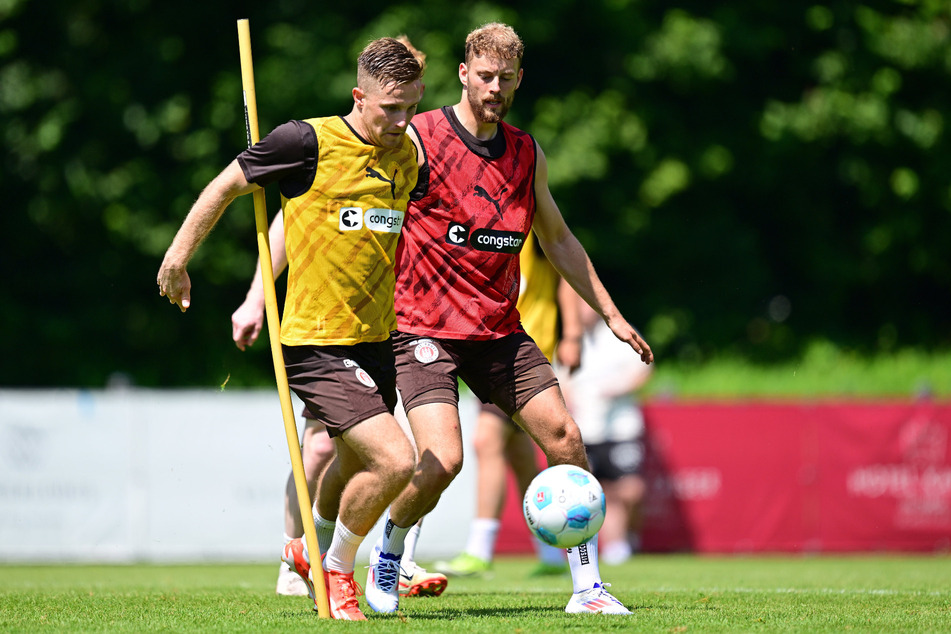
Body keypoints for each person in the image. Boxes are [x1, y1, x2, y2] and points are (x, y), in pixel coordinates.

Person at [361, 22, 654, 616]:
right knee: (444, 459)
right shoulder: (418, 138)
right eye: (484, 76)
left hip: (498, 330)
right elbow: (355, 200)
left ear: (520, 80)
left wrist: (612, 316)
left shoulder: (525, 153)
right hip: (424, 327)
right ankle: (388, 552)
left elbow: (560, 239)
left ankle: (588, 589)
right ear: (464, 74)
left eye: (505, 78)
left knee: (567, 438)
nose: (494, 87)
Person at [157, 37, 425, 621]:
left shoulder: (408, 156)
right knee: (396, 462)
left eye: (412, 107)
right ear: (360, 96)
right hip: (314, 339)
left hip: (378, 337)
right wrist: (178, 258)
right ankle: (337, 570)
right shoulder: (304, 141)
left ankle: (307, 549)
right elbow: (226, 188)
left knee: (352, 465)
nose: (403, 122)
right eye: (391, 109)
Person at [232, 209, 448, 598]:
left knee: (415, 452)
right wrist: (256, 298)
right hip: (340, 326)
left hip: (406, 325)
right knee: (319, 450)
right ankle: (298, 553)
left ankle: (398, 559)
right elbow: (290, 217)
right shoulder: (336, 153)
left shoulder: (414, 158)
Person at [436, 233, 581, 577]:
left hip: (523, 353)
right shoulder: (483, 217)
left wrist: (572, 335)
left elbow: (567, 272)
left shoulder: (530, 220)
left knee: (486, 440)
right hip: (489, 348)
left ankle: (480, 549)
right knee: (519, 456)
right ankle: (550, 552)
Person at [561, 302, 653, 565]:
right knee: (600, 492)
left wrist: (618, 389)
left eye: (584, 306)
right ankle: (616, 545)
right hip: (585, 430)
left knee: (631, 490)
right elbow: (561, 380)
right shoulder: (568, 341)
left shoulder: (621, 335)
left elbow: (644, 370)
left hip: (620, 427)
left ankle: (630, 536)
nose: (580, 312)